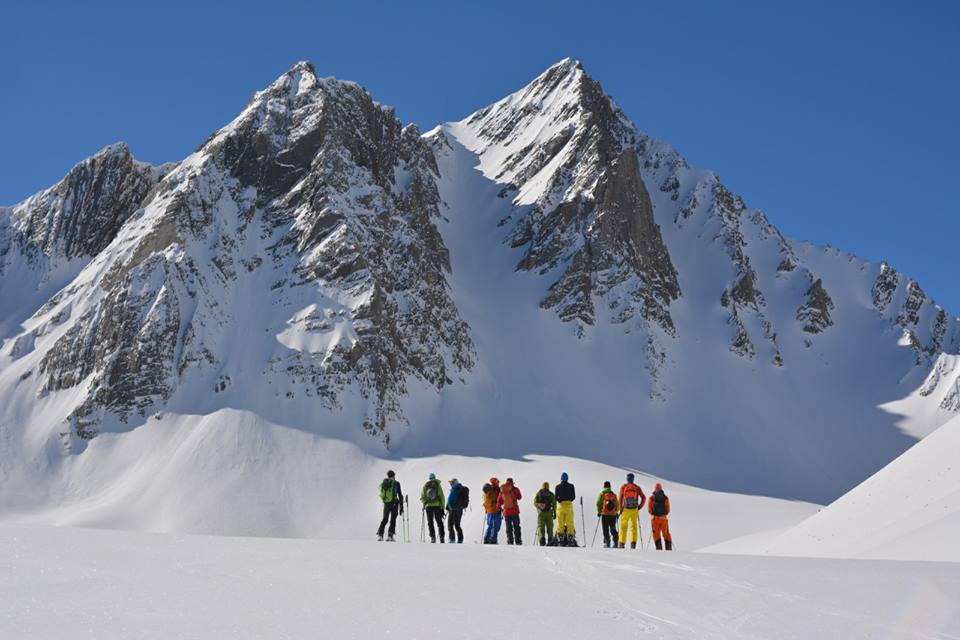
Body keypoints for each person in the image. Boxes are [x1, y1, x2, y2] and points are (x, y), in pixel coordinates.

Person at [618, 473, 646, 549]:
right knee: (633, 526)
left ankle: (621, 543)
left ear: (627, 479)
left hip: (625, 509)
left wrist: (621, 508)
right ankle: (633, 543)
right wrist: (639, 507)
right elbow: (644, 498)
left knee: (623, 526)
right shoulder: (637, 487)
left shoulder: (623, 487)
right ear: (633, 479)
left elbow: (620, 498)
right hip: (634, 509)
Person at [377, 470, 404, 542]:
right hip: (394, 503)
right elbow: (400, 495)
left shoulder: (384, 483)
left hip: (386, 503)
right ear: (394, 475)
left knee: (385, 519)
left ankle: (380, 535)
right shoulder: (396, 483)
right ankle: (390, 536)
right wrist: (401, 506)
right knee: (393, 520)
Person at [497, 477, 523, 545]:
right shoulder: (515, 489)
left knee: (508, 528)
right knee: (516, 526)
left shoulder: (502, 490)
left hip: (506, 512)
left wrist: (498, 507)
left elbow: (499, 501)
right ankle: (518, 541)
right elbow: (520, 497)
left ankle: (510, 541)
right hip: (515, 511)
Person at [420, 473, 445, 543]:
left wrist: (425, 503)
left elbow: (422, 496)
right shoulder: (438, 485)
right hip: (437, 506)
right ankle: (442, 537)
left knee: (430, 522)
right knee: (439, 522)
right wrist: (442, 507)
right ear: (435, 477)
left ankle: (433, 537)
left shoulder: (426, 485)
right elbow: (442, 497)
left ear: (429, 478)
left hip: (428, 506)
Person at [648, 483, 672, 550]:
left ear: (655, 488)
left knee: (656, 534)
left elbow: (649, 510)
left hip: (655, 519)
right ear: (661, 488)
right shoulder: (665, 498)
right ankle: (668, 548)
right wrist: (664, 514)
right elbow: (668, 509)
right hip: (663, 519)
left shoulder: (651, 498)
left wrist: (653, 514)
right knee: (666, 534)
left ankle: (659, 549)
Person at [555, 472, 577, 546]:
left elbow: (556, 497)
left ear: (561, 478)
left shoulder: (558, 486)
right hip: (569, 505)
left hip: (561, 506)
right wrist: (569, 499)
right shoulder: (571, 486)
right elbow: (573, 497)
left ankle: (560, 537)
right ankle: (570, 538)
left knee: (560, 522)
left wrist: (560, 500)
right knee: (570, 522)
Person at [596, 481, 620, 548]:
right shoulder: (613, 494)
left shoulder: (602, 494)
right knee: (613, 528)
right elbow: (617, 504)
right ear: (610, 486)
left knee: (605, 529)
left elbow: (598, 503)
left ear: (604, 486)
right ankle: (616, 541)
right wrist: (616, 511)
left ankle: (607, 542)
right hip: (613, 515)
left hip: (605, 514)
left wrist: (599, 512)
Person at [533, 482, 557, 546]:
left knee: (541, 527)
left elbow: (535, 502)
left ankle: (542, 541)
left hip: (541, 513)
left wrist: (538, 506)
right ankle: (550, 541)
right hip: (549, 513)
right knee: (550, 528)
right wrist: (555, 512)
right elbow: (554, 504)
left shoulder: (539, 494)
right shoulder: (551, 494)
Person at [446, 478, 468, 544]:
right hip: (459, 510)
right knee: (457, 525)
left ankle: (452, 539)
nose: (450, 484)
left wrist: (448, 506)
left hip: (453, 510)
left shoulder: (454, 489)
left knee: (450, 525)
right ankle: (460, 539)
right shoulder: (460, 488)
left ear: (454, 483)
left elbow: (450, 499)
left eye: (451, 483)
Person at [482, 477, 502, 544]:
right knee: (495, 526)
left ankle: (486, 539)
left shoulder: (488, 489)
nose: (498, 483)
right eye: (497, 482)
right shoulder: (496, 490)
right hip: (495, 510)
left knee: (490, 526)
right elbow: (499, 500)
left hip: (489, 511)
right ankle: (493, 540)